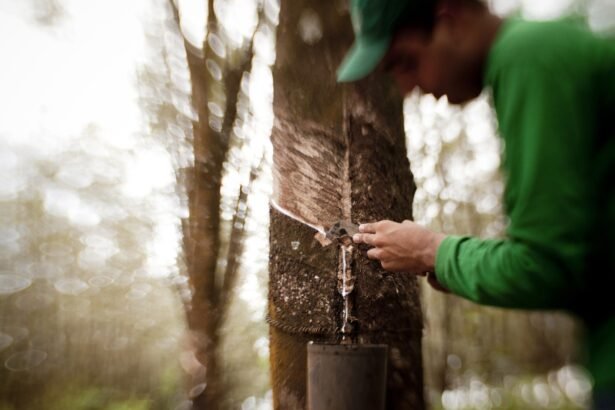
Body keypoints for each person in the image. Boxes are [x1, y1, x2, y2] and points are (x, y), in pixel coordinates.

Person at [338, 0, 615, 407]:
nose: (408, 87)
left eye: (407, 61)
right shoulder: (539, 55)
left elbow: (547, 267)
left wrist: (431, 250)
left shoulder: (530, 59)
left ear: (449, 19)